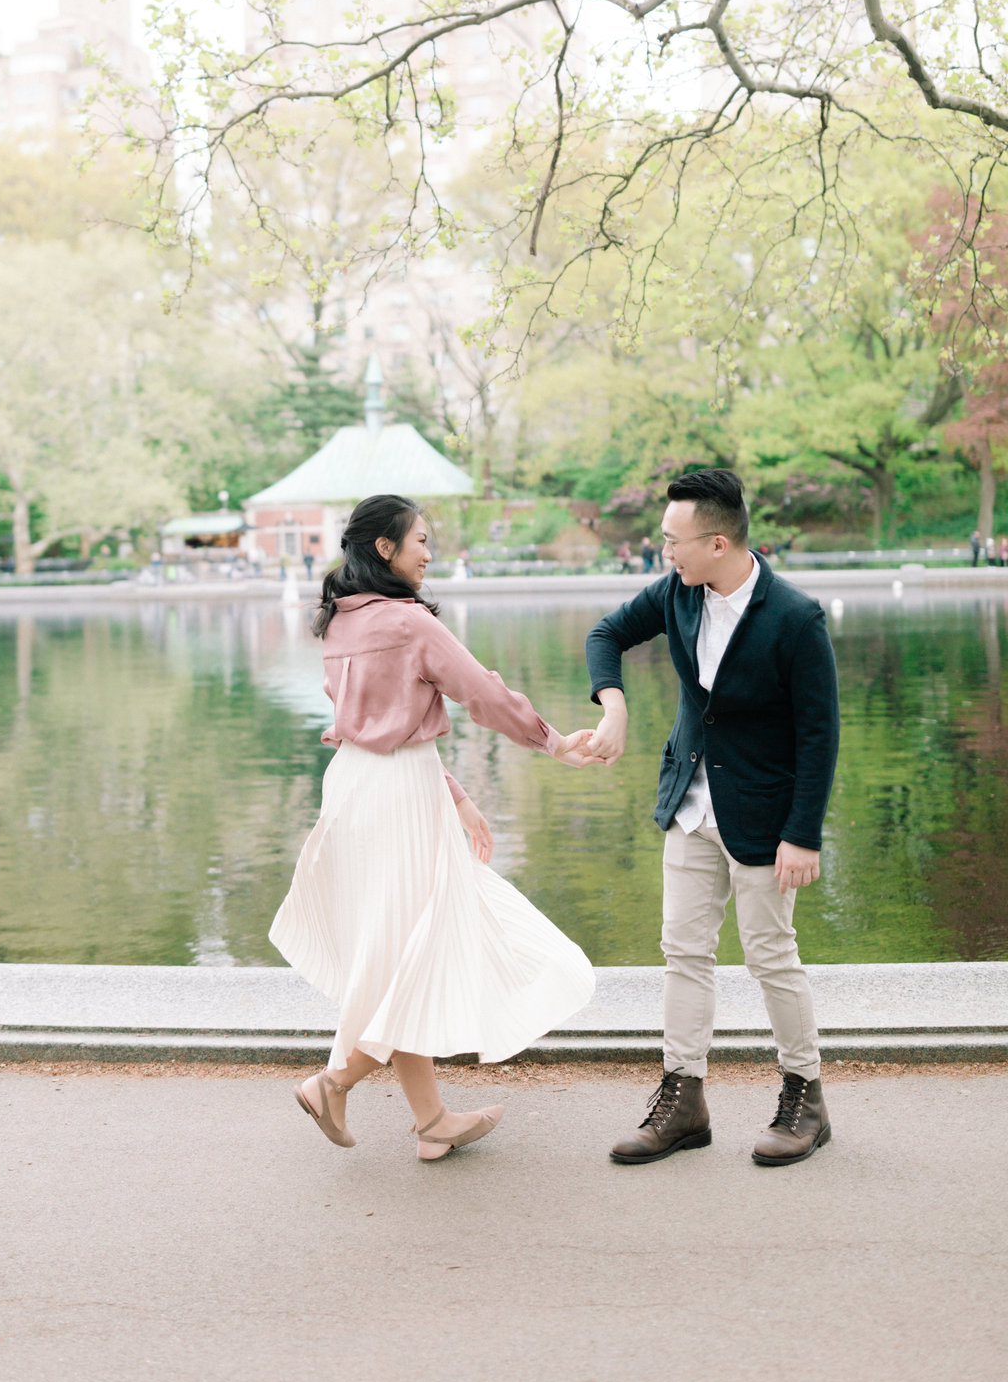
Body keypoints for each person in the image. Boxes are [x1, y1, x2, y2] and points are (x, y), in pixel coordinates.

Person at [271, 494, 597, 1161]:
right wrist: (555, 742)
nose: (430, 552)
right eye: (420, 540)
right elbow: (482, 694)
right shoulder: (411, 623)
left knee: (401, 948)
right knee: (416, 947)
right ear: (384, 548)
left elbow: (377, 728)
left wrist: (455, 794)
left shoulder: (338, 623)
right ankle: (335, 1082)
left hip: (357, 790)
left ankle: (431, 1120)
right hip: (397, 799)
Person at [584, 469, 839, 1168]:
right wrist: (616, 703)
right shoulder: (678, 594)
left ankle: (805, 1097)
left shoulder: (795, 617)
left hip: (763, 816)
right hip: (688, 808)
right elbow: (606, 633)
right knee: (683, 954)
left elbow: (820, 735)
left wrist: (803, 833)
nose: (663, 550)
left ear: (718, 543)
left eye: (673, 540)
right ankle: (685, 1099)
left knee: (769, 956)